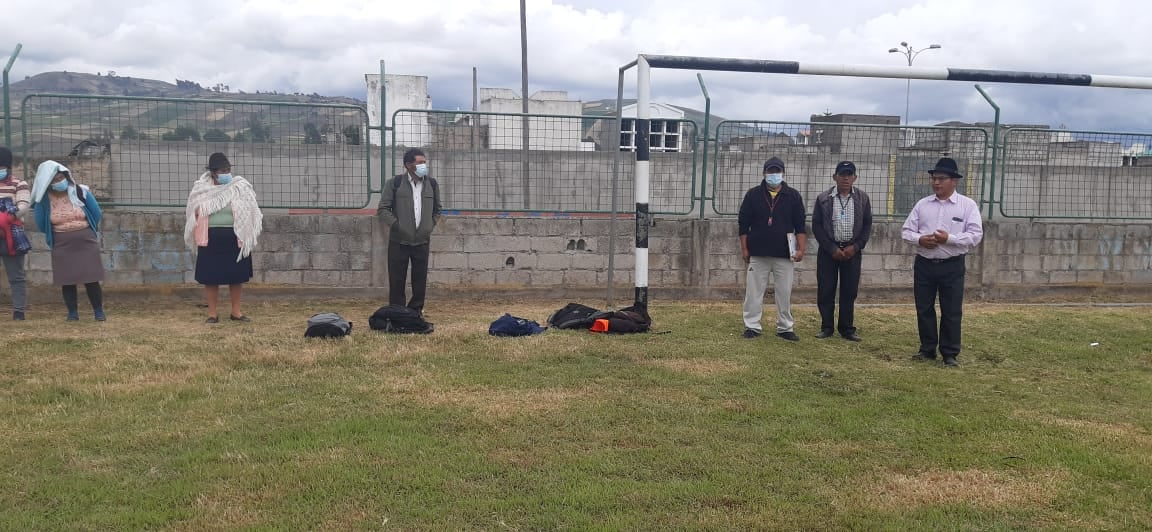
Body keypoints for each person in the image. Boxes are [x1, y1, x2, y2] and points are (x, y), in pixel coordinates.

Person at [901, 157, 984, 367]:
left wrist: (950, 239)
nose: (936, 182)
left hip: (952, 265)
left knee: (952, 310)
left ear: (954, 181)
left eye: (941, 178)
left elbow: (975, 235)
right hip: (925, 264)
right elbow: (906, 231)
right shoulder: (923, 205)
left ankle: (949, 353)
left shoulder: (967, 206)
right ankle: (927, 349)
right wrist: (920, 239)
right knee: (924, 308)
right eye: (934, 178)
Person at [183, 153, 263, 324]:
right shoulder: (201, 189)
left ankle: (236, 312)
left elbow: (250, 207)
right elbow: (193, 210)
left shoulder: (239, 186)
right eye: (222, 171)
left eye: (228, 170)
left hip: (236, 238)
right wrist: (204, 207)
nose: (226, 173)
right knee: (211, 277)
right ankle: (212, 314)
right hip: (210, 239)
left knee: (236, 276)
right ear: (213, 172)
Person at [738, 156, 807, 341]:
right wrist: (744, 249)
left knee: (784, 292)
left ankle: (785, 327)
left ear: (783, 173)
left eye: (777, 171)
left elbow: (800, 225)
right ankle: (752, 326)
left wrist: (801, 249)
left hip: (784, 254)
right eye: (770, 171)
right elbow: (743, 224)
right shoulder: (753, 195)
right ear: (764, 173)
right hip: (758, 253)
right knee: (753, 292)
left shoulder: (793, 196)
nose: (774, 175)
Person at [31, 161, 105, 321]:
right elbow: (41, 224)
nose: (60, 181)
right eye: (55, 180)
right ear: (47, 183)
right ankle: (72, 313)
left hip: (85, 240)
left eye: (61, 177)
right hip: (61, 243)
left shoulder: (80, 191)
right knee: (67, 279)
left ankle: (99, 312)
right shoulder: (43, 200)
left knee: (91, 277)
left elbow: (96, 213)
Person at [811, 161, 873, 341]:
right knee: (826, 290)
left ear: (855, 178)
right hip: (828, 252)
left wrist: (856, 246)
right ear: (835, 177)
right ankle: (826, 327)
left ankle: (847, 328)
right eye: (842, 174)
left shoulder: (863, 198)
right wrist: (831, 248)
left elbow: (867, 225)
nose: (846, 178)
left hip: (852, 251)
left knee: (849, 291)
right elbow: (816, 225)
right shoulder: (823, 198)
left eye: (849, 175)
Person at [378, 148, 441, 316]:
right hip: (399, 241)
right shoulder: (395, 183)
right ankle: (397, 312)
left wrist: (429, 225)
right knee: (397, 279)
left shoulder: (432, 184)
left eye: (424, 162)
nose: (423, 166)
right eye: (420, 162)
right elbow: (383, 209)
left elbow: (438, 209)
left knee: (419, 280)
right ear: (408, 165)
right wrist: (397, 226)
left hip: (422, 240)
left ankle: (415, 311)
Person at [0, 147, 32, 320]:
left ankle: (19, 310)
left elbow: (23, 206)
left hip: (12, 235)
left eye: (2, 167)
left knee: (16, 275)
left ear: (8, 167)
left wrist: (6, 219)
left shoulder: (19, 184)